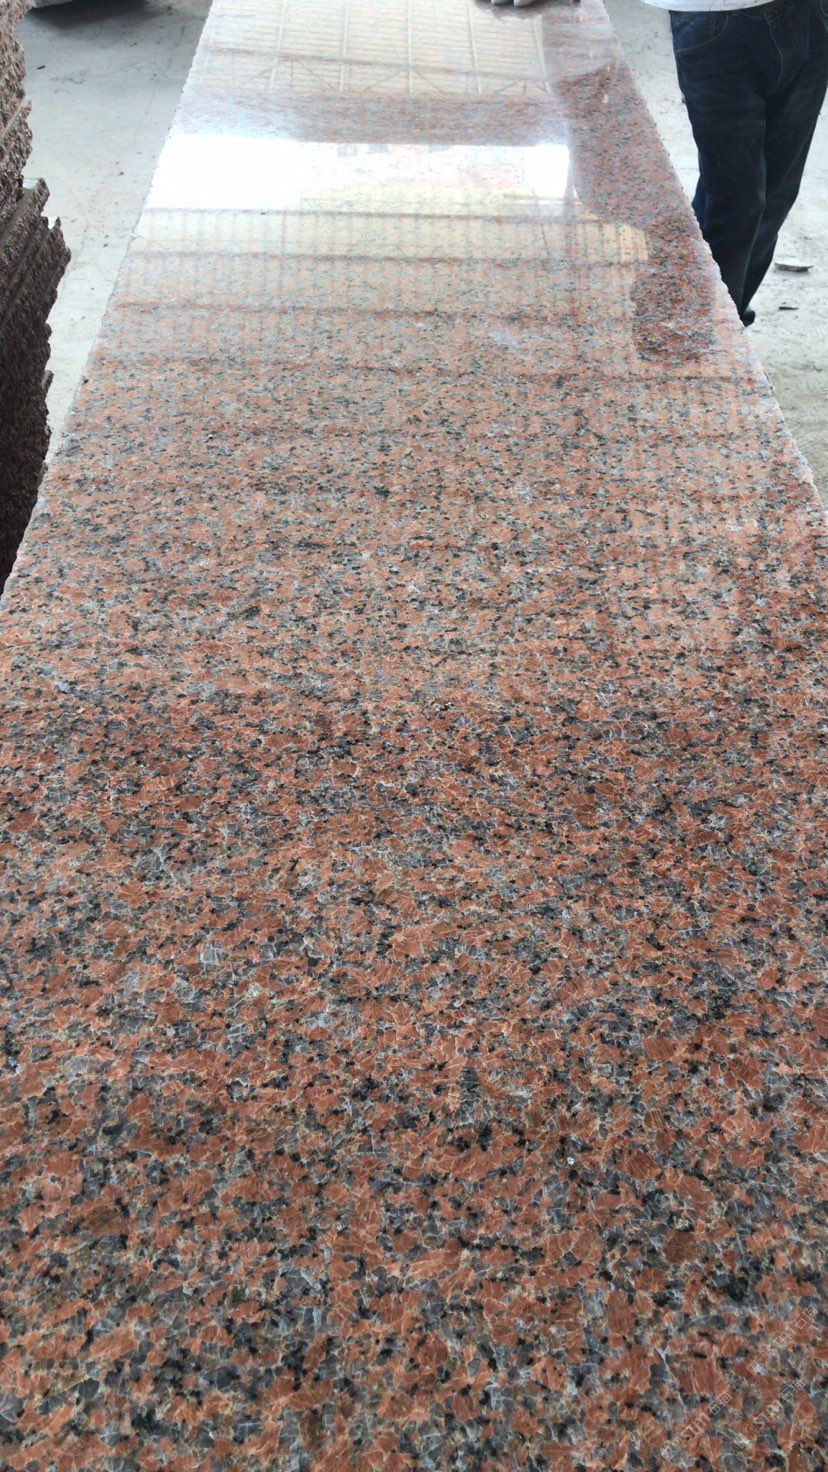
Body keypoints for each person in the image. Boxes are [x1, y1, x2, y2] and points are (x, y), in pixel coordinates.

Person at [484, 0, 828, 327]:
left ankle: (720, 316)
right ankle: (706, 329)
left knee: (777, 192)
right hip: (715, 22)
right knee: (737, 198)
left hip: (811, 14)